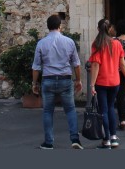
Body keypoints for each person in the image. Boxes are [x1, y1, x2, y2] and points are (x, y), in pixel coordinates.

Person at [32, 14, 84, 150]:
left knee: (48, 111)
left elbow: (36, 67)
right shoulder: (69, 42)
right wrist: (78, 80)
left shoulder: (41, 43)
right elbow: (76, 64)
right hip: (65, 79)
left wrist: (34, 83)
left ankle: (48, 142)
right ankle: (75, 139)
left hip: (48, 79)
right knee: (71, 110)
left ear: (48, 27)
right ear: (60, 26)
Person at [89, 19, 125, 149]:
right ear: (110, 29)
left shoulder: (97, 44)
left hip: (102, 82)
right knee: (110, 109)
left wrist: (92, 84)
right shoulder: (117, 44)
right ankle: (113, 137)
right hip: (115, 82)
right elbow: (122, 63)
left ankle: (106, 139)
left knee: (104, 111)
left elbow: (95, 65)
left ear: (98, 29)